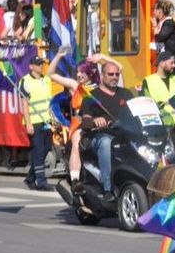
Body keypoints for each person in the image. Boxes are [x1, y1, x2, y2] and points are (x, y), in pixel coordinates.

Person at [48, 49, 116, 183]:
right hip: (80, 123)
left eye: (82, 72)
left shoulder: (101, 86)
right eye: (78, 72)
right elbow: (50, 74)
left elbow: (119, 69)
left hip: (100, 122)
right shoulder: (75, 86)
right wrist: (58, 56)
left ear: (91, 73)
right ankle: (75, 180)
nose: (78, 75)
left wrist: (103, 57)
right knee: (76, 143)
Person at [80, 62, 134, 205]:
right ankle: (108, 189)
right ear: (102, 75)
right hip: (100, 136)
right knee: (106, 143)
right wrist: (94, 120)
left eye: (117, 74)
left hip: (124, 136)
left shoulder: (126, 94)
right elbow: (84, 122)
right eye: (110, 74)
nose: (114, 77)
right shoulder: (92, 96)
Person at [19, 55, 55, 191]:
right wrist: (28, 123)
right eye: (38, 64)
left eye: (42, 63)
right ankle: (41, 182)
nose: (41, 66)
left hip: (46, 121)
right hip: (34, 122)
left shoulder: (46, 80)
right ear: (31, 66)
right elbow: (25, 104)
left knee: (46, 149)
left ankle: (30, 178)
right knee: (38, 151)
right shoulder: (26, 81)